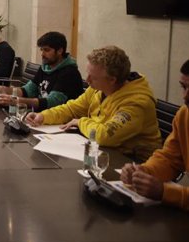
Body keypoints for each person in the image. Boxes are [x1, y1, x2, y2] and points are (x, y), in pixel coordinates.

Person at [25, 45, 162, 160]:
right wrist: (43, 116)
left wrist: (80, 122)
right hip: (102, 152)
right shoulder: (98, 88)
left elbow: (105, 135)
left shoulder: (137, 102)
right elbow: (73, 108)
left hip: (133, 163)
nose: (87, 80)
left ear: (112, 79)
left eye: (93, 77)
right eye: (88, 73)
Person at [120, 60, 189, 209]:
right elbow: (170, 158)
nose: (185, 96)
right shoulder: (185, 114)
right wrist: (144, 172)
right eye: (184, 87)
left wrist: (165, 192)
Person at [0, 32, 83, 111]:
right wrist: (5, 90)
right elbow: (28, 90)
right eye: (41, 50)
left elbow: (52, 103)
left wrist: (17, 101)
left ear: (59, 51)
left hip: (61, 122)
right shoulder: (45, 67)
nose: (42, 54)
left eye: (47, 50)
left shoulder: (69, 72)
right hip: (41, 115)